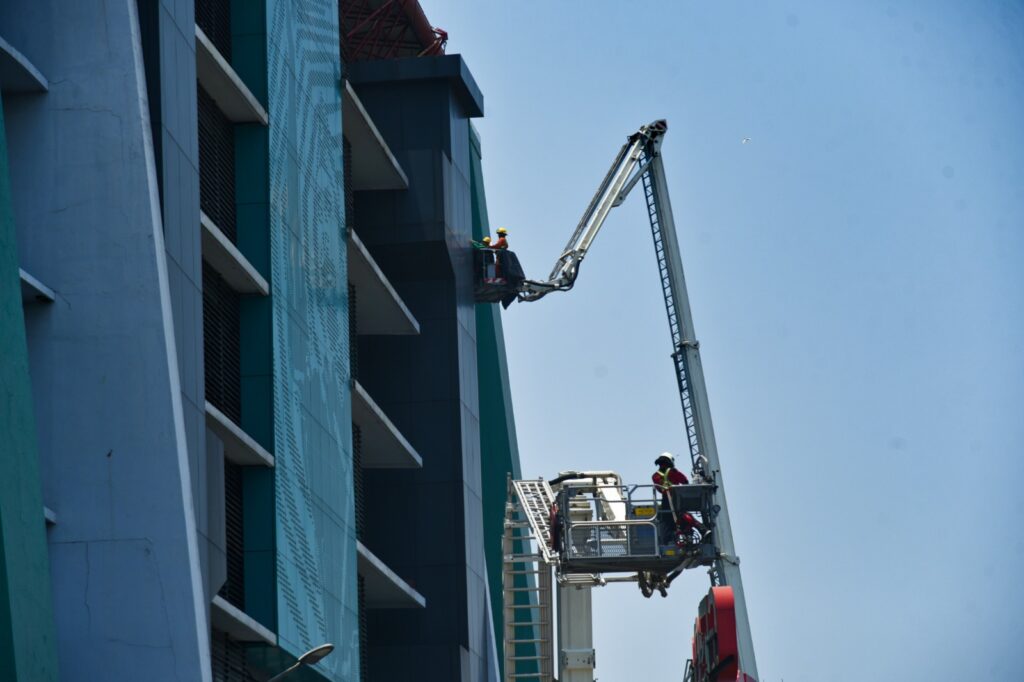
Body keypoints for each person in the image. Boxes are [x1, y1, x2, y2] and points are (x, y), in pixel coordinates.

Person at [651, 452, 697, 545]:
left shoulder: (655, 476)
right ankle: (696, 532)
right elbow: (685, 481)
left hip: (665, 500)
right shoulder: (674, 472)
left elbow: (659, 489)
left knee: (666, 521)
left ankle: (668, 541)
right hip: (676, 498)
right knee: (682, 516)